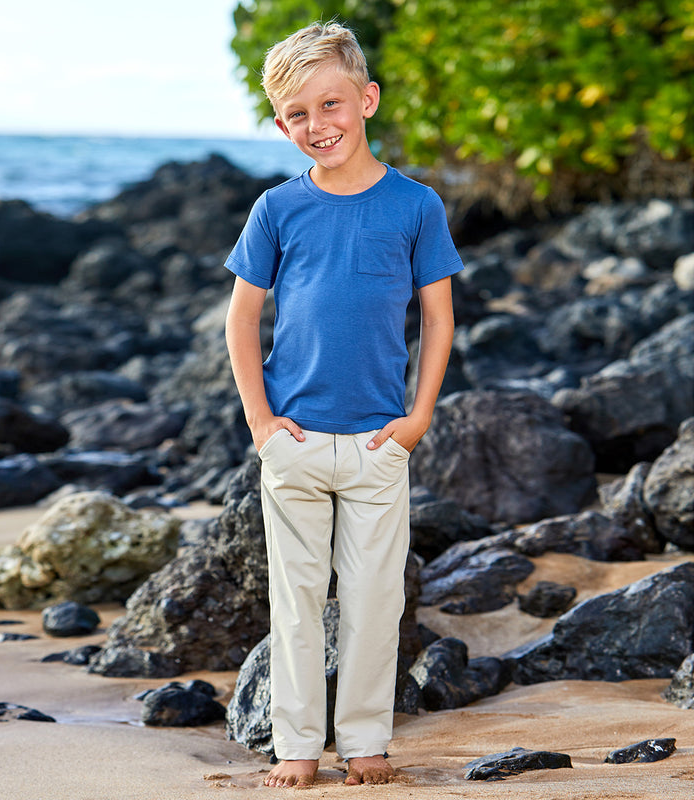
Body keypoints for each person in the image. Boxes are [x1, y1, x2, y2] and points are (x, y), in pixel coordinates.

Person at [224, 20, 463, 788]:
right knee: (295, 603)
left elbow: (437, 317)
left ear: (366, 99)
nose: (316, 125)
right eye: (297, 115)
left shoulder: (416, 205)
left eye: (330, 105)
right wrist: (263, 425)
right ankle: (296, 742)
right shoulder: (277, 210)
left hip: (376, 444)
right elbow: (242, 317)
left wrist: (417, 419)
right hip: (292, 441)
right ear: (281, 124)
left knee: (372, 598)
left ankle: (365, 741)